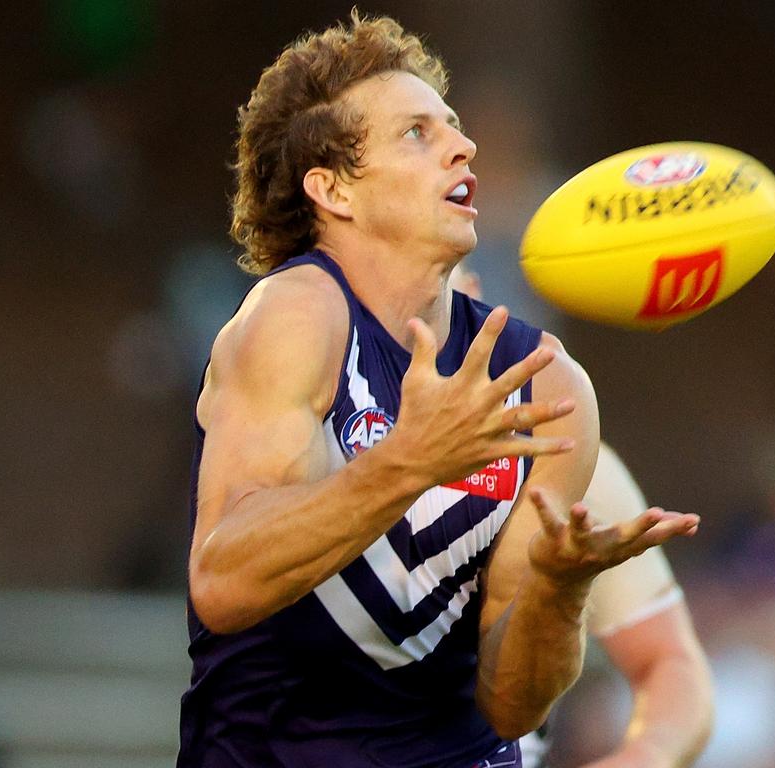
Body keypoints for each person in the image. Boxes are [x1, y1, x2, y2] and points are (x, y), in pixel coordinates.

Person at [178, 12, 700, 767]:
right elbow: (223, 583)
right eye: (416, 133)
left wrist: (558, 593)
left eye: (451, 126)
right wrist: (409, 462)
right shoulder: (298, 317)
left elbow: (511, 701)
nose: (465, 145)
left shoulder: (549, 386)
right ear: (333, 191)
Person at [450, 262, 713, 768]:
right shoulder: (308, 443)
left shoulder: (569, 461)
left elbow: (669, 662)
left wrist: (646, 755)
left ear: (476, 295)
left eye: (446, 294)